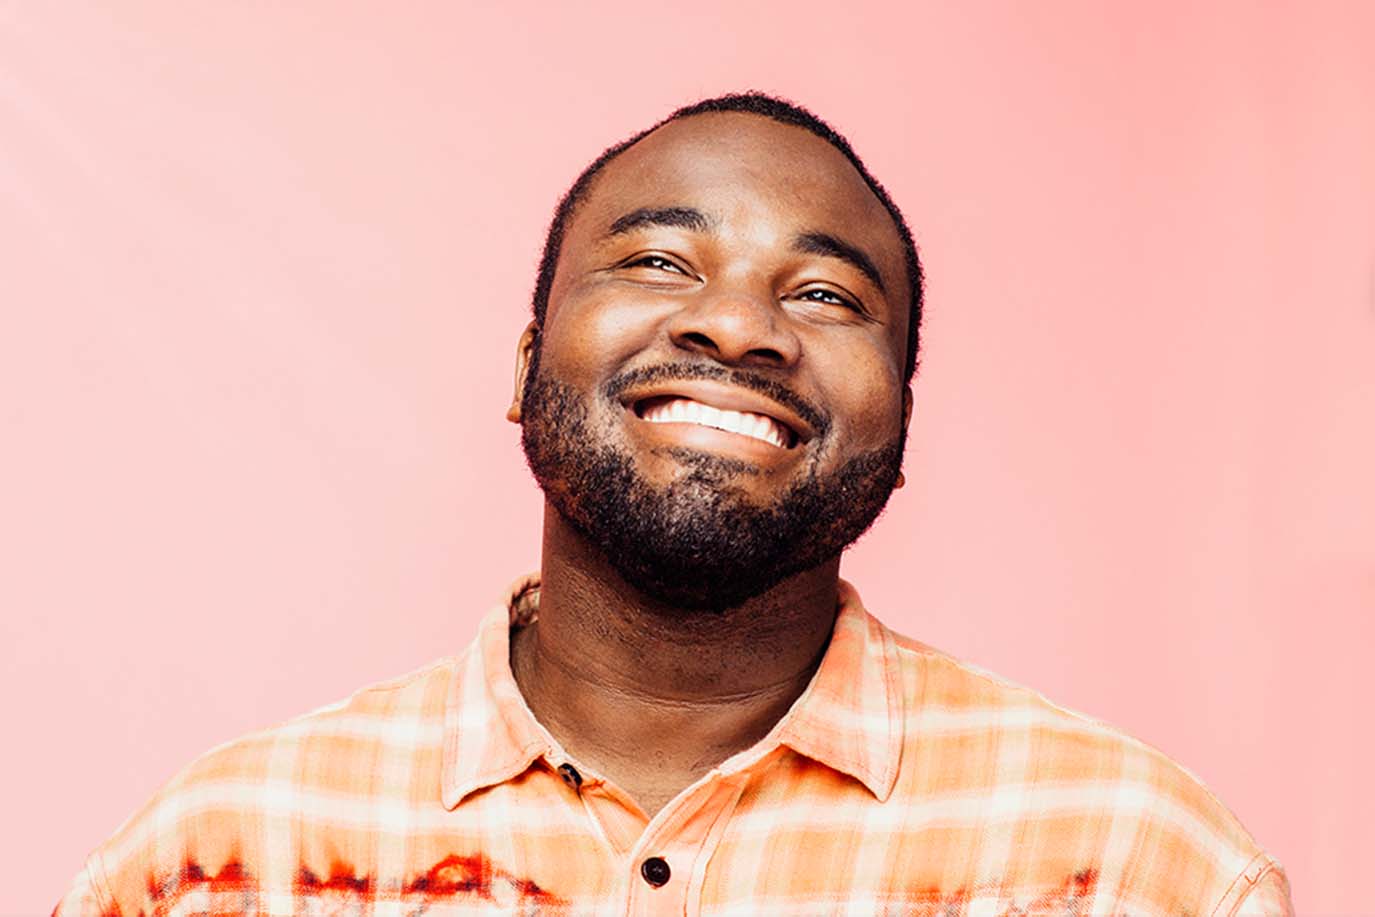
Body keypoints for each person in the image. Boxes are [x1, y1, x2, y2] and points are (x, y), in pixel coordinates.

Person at [55, 93, 1292, 916]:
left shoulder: (1138, 864)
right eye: (658, 262)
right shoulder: (223, 860)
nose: (737, 325)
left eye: (825, 294)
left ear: (899, 426)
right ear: (526, 362)